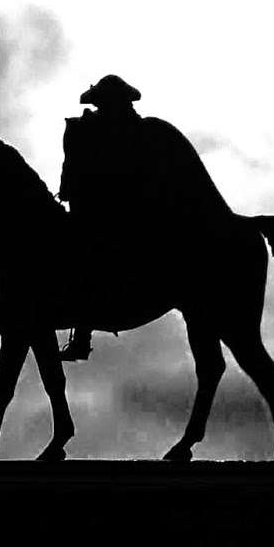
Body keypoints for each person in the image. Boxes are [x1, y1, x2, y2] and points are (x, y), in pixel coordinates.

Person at [58, 74, 232, 360]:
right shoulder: (133, 130)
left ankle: (84, 329)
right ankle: (83, 330)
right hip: (131, 207)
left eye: (105, 102)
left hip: (128, 212)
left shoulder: (116, 131)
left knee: (83, 251)